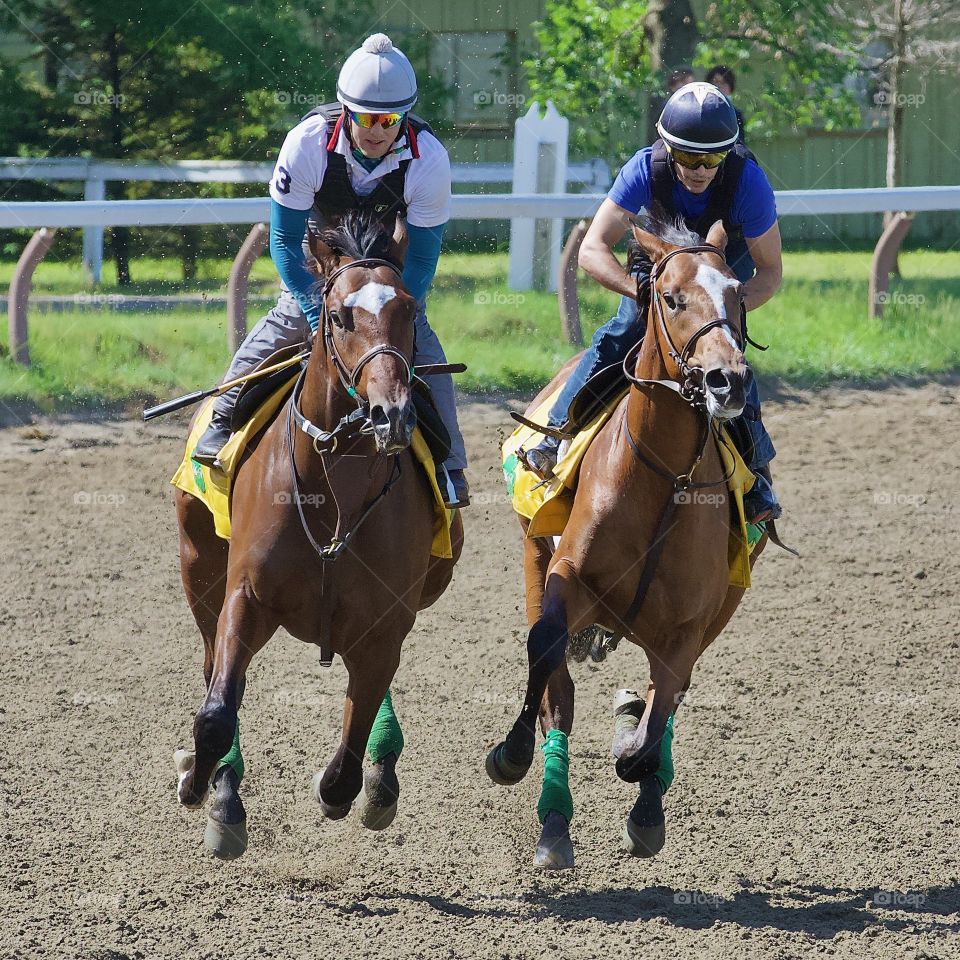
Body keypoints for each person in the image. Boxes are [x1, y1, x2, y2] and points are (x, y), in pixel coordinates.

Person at [192, 33, 469, 508]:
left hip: (385, 272)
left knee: (420, 346)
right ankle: (221, 421)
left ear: (404, 117)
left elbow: (421, 259)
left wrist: (400, 312)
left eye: (390, 120)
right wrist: (315, 308)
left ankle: (450, 466)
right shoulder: (306, 143)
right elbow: (282, 240)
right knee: (286, 323)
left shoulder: (431, 159)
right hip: (316, 262)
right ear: (346, 111)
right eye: (366, 118)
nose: (378, 131)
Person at [523, 82, 783, 523]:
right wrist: (639, 292)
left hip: (721, 267)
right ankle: (556, 432)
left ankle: (757, 477)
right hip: (660, 267)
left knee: (730, 358)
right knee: (624, 332)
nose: (701, 170)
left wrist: (721, 317)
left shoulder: (749, 182)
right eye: (688, 158)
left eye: (713, 159)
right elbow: (592, 249)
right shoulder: (643, 168)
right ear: (667, 147)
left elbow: (770, 273)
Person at [705, 64, 746, 144]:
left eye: (723, 83)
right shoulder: (701, 110)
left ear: (730, 87)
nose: (718, 86)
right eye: (715, 82)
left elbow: (740, 143)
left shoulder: (736, 114)